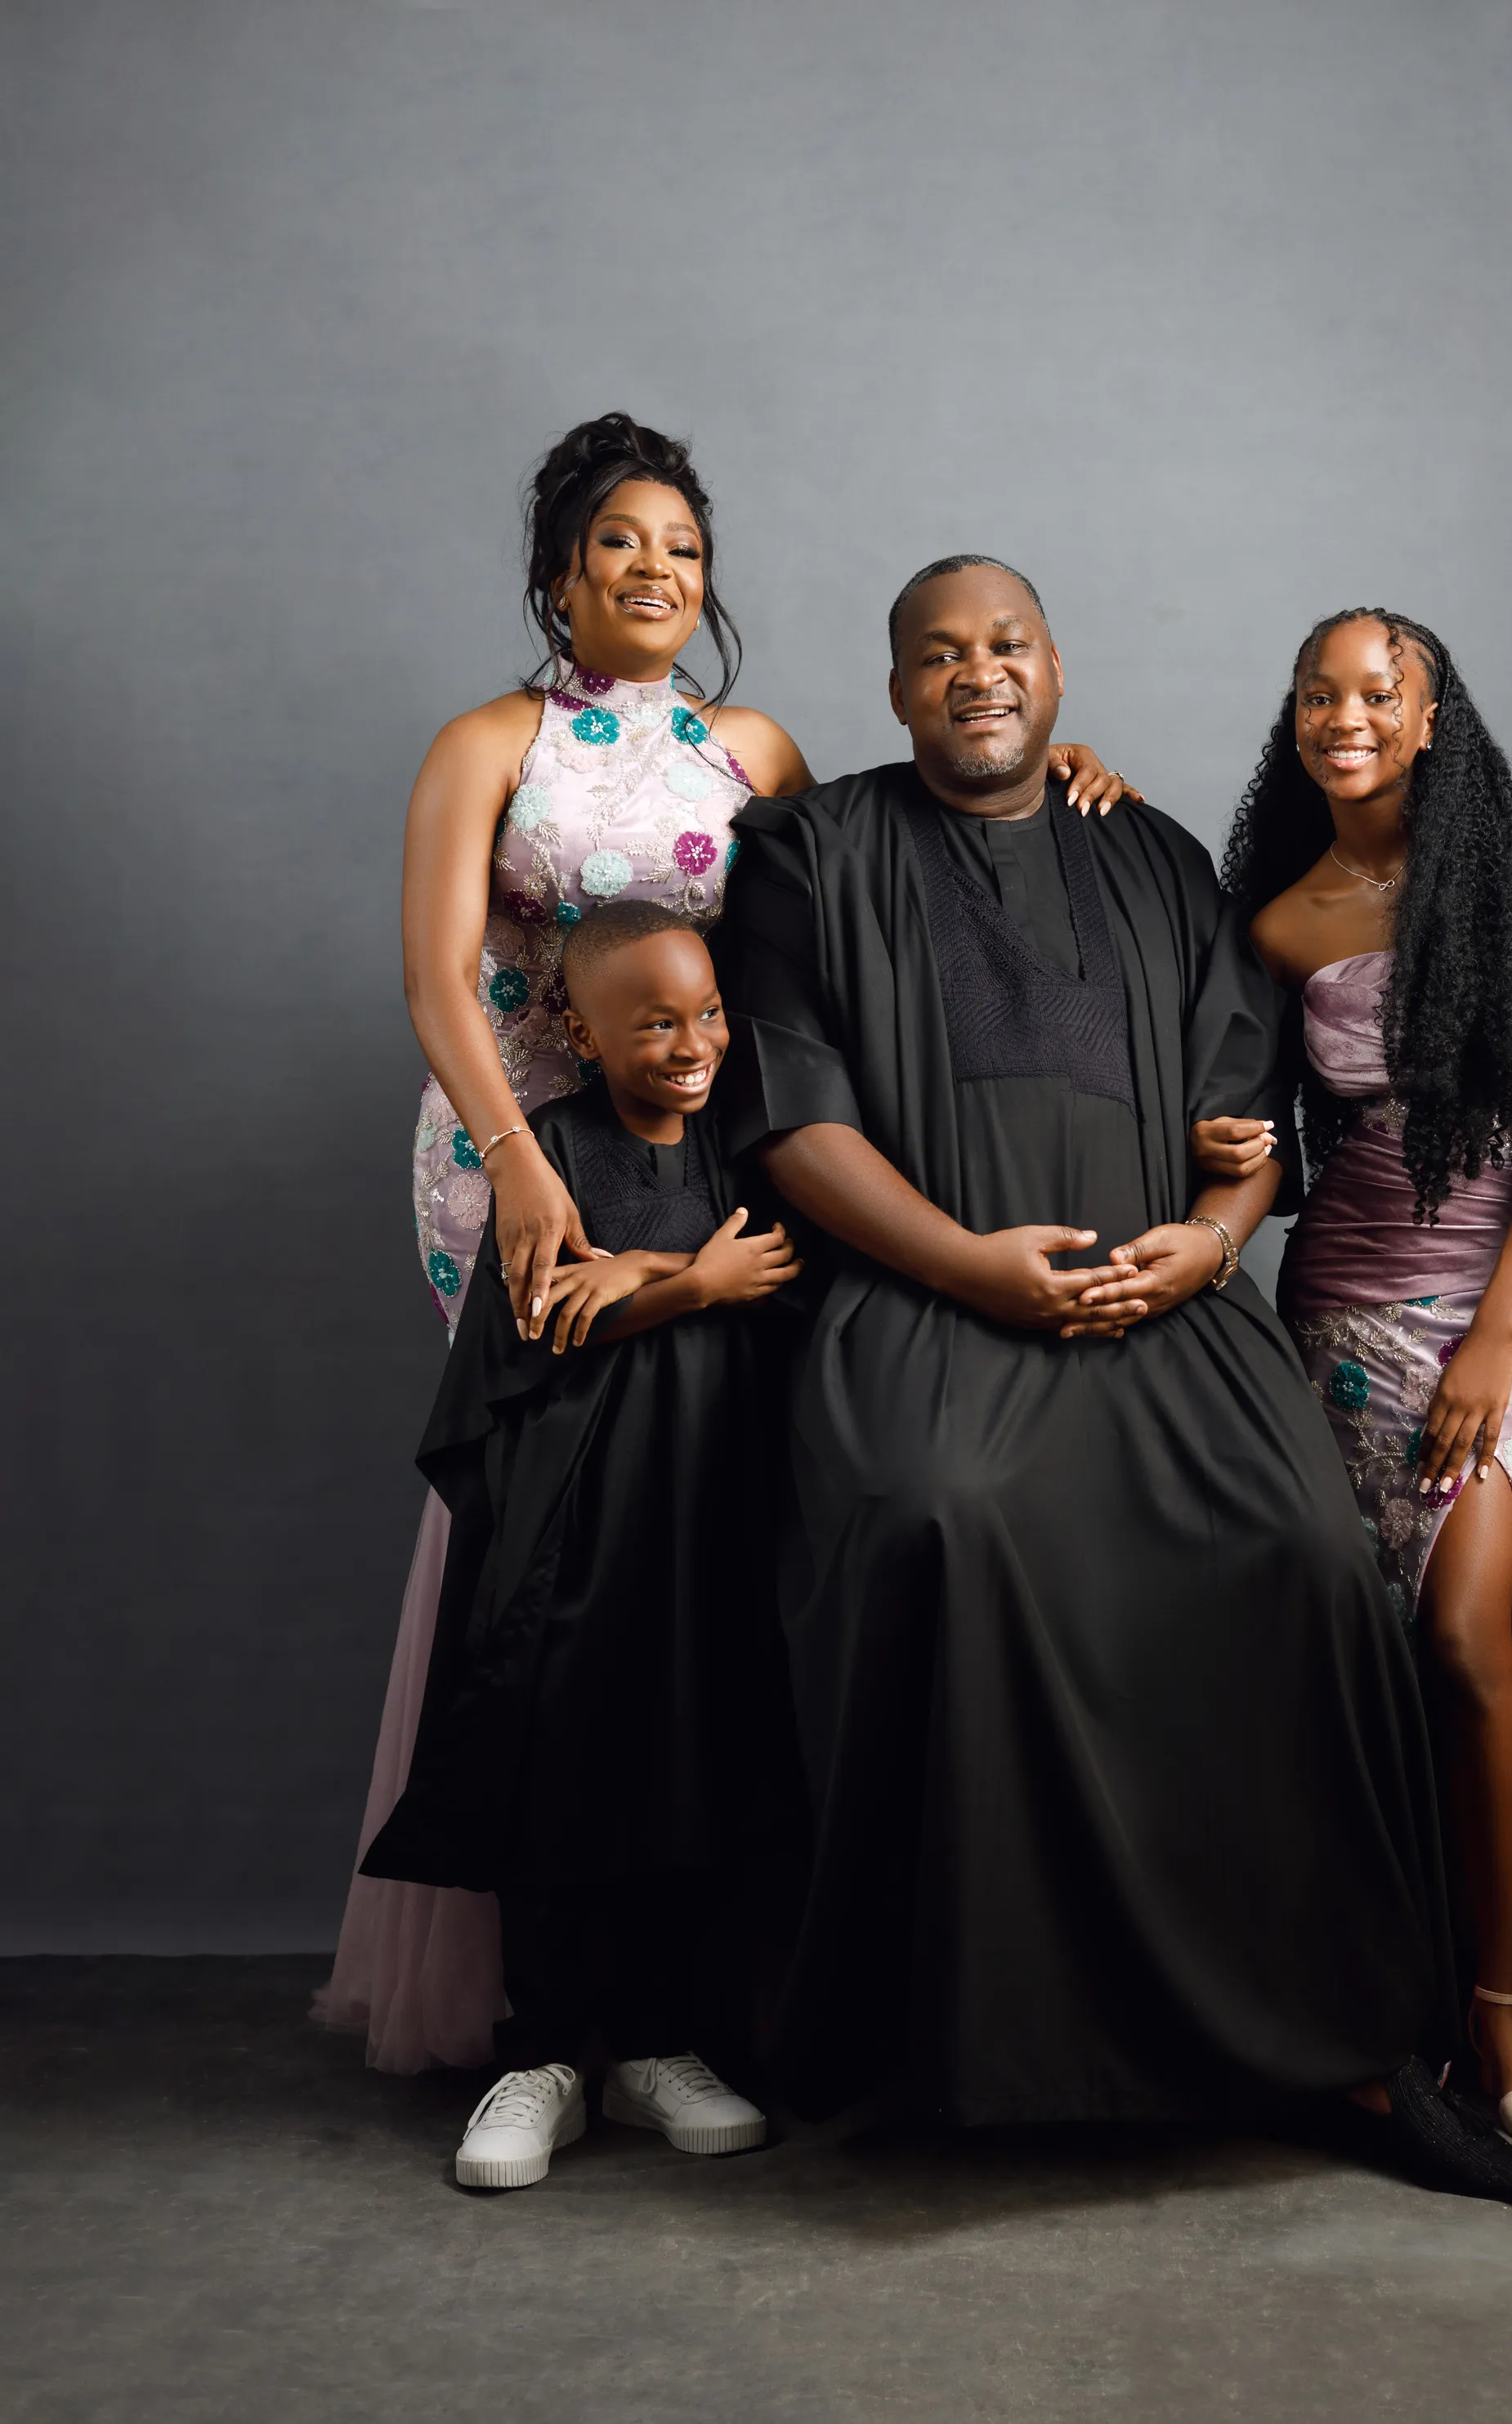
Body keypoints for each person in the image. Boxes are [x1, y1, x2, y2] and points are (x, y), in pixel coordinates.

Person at [711, 555, 1512, 2202]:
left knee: (1307, 1560)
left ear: (1058, 673)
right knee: (939, 1520)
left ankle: (1337, 2055)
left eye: (1007, 645)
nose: (977, 675)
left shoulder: (1153, 856)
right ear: (894, 691)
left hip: (1163, 1299)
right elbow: (796, 1121)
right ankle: (971, 2062)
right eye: (938, 655)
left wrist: (1208, 1241)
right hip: (925, 1300)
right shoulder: (808, 852)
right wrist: (967, 1266)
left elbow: (1248, 1118)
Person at [316, 415, 1133, 2071]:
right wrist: (521, 1172)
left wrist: (1062, 790)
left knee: (711, 1525)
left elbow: (873, 897)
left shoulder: (751, 748)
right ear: (558, 574)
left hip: (713, 1163)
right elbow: (432, 979)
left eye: (682, 547)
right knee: (555, 1539)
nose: (656, 571)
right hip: (528, 1154)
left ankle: (704, 2002)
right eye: (619, 542)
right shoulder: (487, 744)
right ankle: (536, 2010)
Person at [1202, 608, 1512, 2145]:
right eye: (1317, 692)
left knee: (1469, 1636)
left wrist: (1492, 1336)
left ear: (1428, 719)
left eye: (1375, 693)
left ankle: (1509, 2029)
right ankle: (1374, 2002)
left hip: (1499, 1303)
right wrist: (1222, 1162)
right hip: (1337, 1314)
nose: (1344, 715)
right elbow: (1255, 1137)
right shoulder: (1272, 916)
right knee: (1364, 1667)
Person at [360, 903, 802, 2187]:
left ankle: (661, 2045)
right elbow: (542, 1315)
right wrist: (682, 1286)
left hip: (712, 1507)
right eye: (653, 1021)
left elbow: (770, 1271)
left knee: (696, 1754)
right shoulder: (550, 1156)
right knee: (566, 1754)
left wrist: (650, 1277)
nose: (690, 1041)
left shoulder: (744, 1146)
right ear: (578, 1030)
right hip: (580, 1517)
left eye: (707, 1012)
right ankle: (543, 2053)